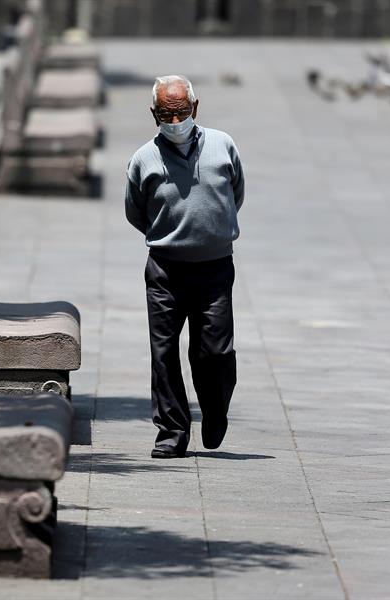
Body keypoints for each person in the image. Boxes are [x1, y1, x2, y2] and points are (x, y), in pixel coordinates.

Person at [124, 75, 245, 458]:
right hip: (165, 270)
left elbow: (235, 194)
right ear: (153, 114)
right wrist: (170, 234)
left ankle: (214, 409)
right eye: (165, 115)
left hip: (214, 267)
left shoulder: (223, 145)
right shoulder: (144, 158)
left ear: (194, 108)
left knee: (215, 352)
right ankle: (172, 433)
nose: (174, 122)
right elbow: (135, 210)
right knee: (163, 353)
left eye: (180, 113)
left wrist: (212, 231)